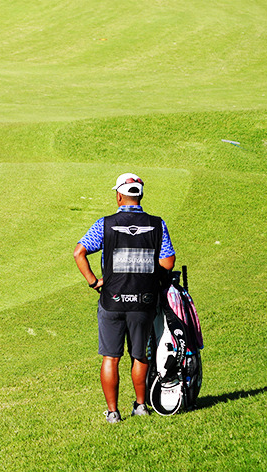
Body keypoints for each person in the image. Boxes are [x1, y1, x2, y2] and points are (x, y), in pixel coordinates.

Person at [73, 173, 175, 424]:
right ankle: (141, 406)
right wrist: (151, 277)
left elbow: (79, 252)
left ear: (119, 195)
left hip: (112, 299)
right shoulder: (157, 224)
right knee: (139, 355)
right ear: (140, 195)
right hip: (144, 300)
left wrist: (94, 281)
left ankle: (113, 412)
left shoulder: (104, 224)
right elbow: (168, 261)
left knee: (111, 357)